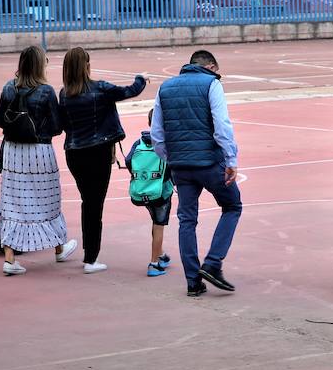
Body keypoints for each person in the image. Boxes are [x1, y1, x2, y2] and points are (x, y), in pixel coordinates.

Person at [150, 50, 241, 298]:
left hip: (181, 166)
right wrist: (231, 159)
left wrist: (171, 157)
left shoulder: (165, 88)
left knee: (187, 220)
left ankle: (193, 281)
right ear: (211, 66)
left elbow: (157, 133)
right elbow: (222, 125)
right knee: (232, 206)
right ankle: (212, 262)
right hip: (210, 163)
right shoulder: (212, 84)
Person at [58, 47, 147, 274]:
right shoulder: (100, 89)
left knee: (88, 202)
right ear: (87, 66)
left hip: (75, 153)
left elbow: (63, 125)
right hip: (98, 153)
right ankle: (91, 258)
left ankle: (90, 254)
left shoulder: (64, 93)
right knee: (94, 205)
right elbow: (129, 91)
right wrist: (141, 79)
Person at [0, 46, 77, 276]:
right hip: (39, 152)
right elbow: (56, 126)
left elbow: (1, 120)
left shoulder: (8, 88)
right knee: (47, 200)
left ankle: (10, 258)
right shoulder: (46, 91)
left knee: (12, 202)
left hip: (13, 152)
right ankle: (58, 247)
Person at [125, 109, 174, 277]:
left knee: (155, 220)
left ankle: (160, 254)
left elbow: (128, 161)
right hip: (162, 191)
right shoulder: (166, 142)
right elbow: (171, 165)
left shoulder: (139, 142)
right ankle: (154, 264)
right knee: (159, 224)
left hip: (144, 189)